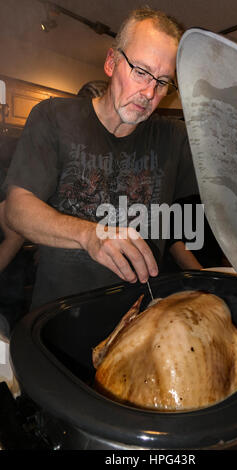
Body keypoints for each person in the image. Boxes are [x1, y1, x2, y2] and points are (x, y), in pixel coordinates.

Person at [4, 7, 202, 309]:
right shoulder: (54, 116)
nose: (149, 93)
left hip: (137, 319)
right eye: (141, 71)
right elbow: (17, 209)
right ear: (111, 62)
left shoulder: (173, 138)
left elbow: (231, 184)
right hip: (59, 316)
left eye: (162, 82)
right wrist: (90, 235)